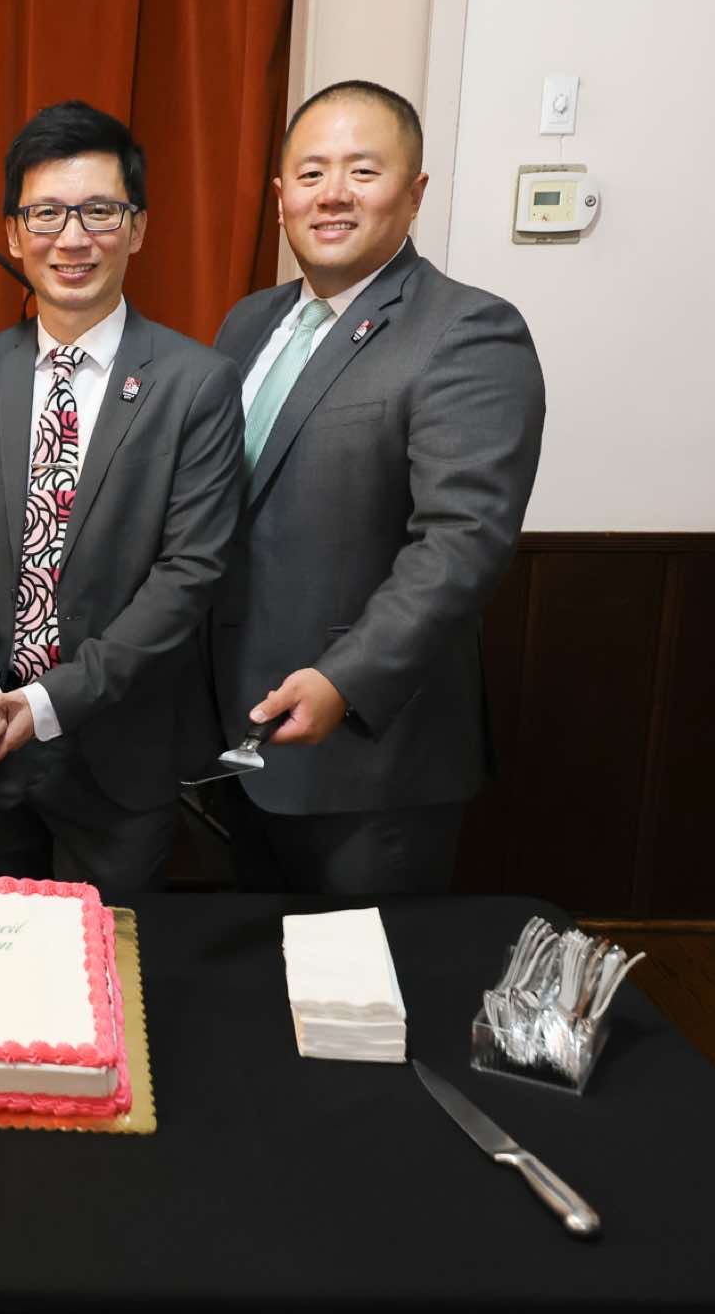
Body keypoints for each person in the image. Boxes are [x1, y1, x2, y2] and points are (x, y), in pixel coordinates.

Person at [210, 79, 546, 895]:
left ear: (415, 191)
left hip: (368, 757)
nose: (333, 194)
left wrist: (344, 679)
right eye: (311, 173)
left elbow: (462, 542)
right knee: (254, 964)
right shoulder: (248, 323)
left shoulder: (467, 330)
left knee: (367, 976)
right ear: (280, 196)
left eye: (362, 171)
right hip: (237, 742)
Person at [0, 101, 245, 893]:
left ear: (137, 227)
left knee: (104, 958)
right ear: (14, 232)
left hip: (118, 753)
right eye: (47, 213)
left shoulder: (196, 383)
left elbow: (189, 575)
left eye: (100, 211)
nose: (72, 237)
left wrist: (46, 702)